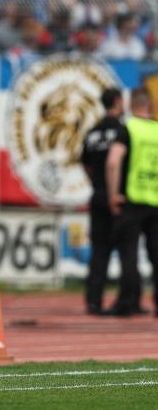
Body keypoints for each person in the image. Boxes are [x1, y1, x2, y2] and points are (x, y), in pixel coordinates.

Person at [105, 87, 158, 317]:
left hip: (133, 199)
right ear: (149, 105)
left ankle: (127, 302)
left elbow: (113, 162)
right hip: (155, 200)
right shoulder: (156, 130)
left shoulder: (128, 129)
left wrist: (113, 194)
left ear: (131, 105)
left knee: (129, 255)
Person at [81, 87, 124, 315]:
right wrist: (114, 191)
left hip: (97, 195)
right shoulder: (122, 131)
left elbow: (86, 164)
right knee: (127, 251)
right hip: (119, 198)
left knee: (99, 251)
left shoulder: (93, 132)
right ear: (117, 101)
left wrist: (97, 185)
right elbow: (116, 164)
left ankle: (93, 300)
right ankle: (128, 300)